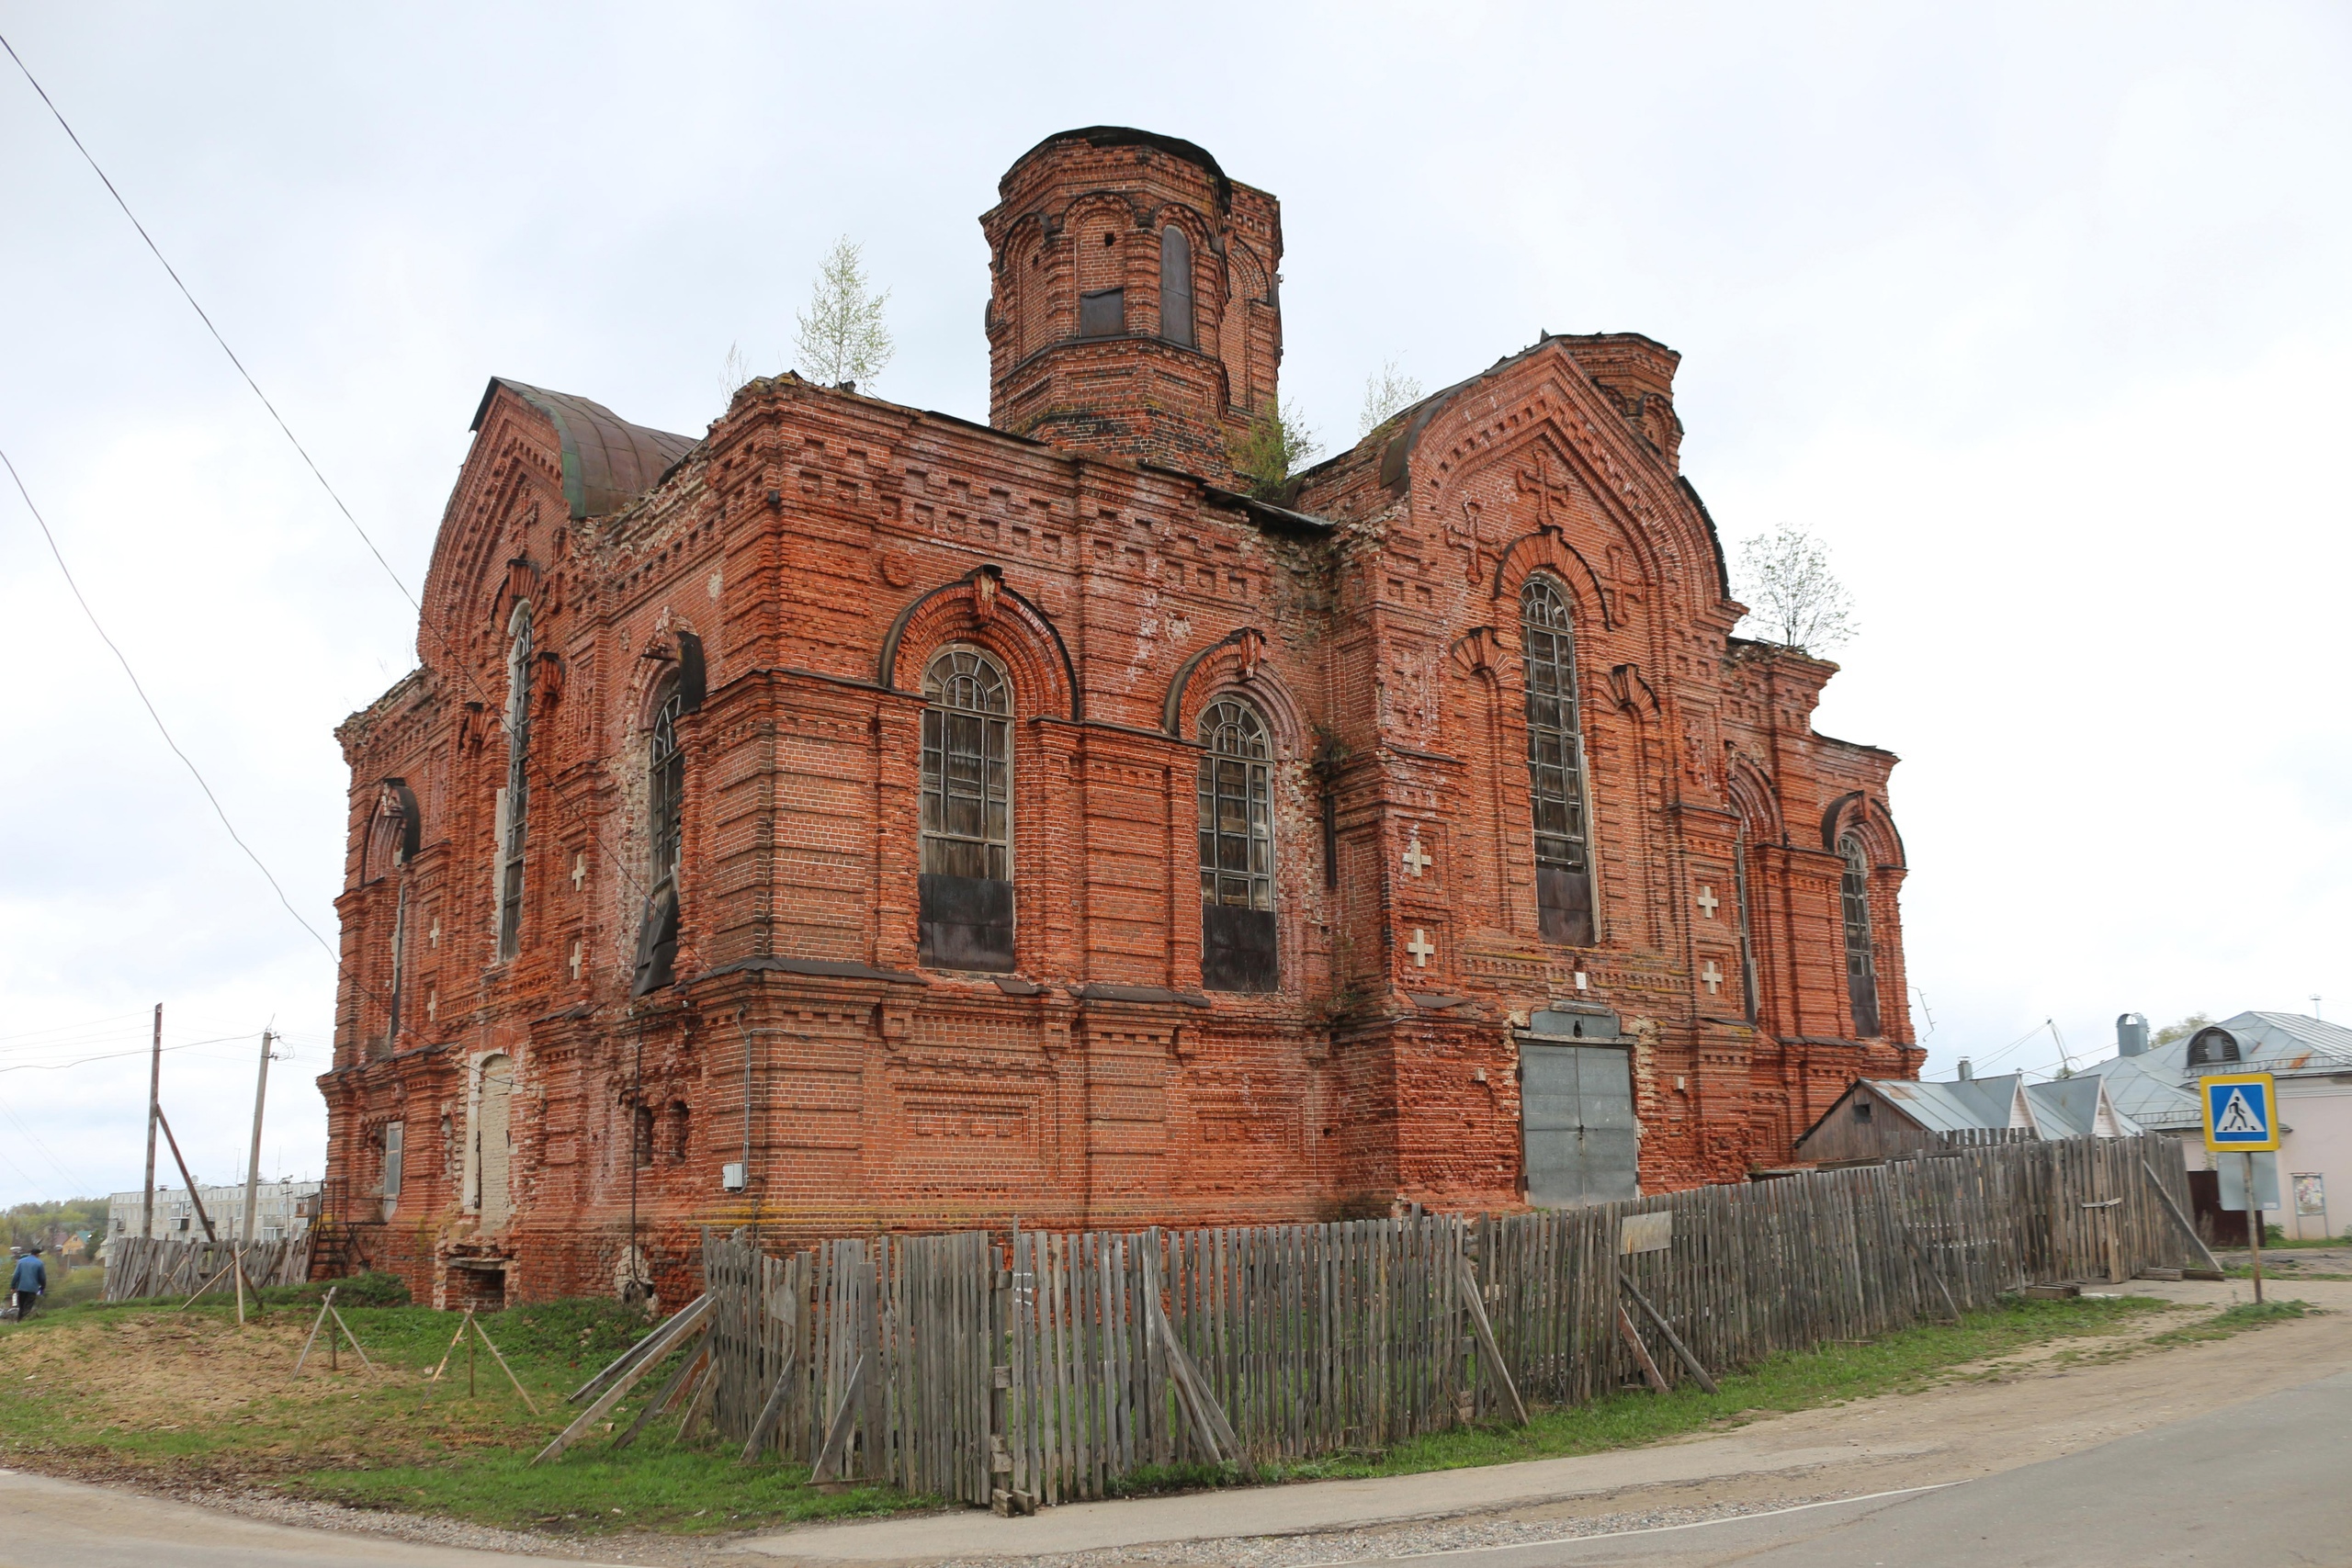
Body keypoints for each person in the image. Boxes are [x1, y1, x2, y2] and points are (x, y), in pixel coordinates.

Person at [11, 1245, 45, 1322]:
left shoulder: (21, 1261)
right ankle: (24, 1321)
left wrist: (13, 1286)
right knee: (28, 1306)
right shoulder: (39, 1263)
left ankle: (19, 1322)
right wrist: (42, 1287)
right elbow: (42, 1277)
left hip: (21, 1287)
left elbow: (16, 1275)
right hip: (32, 1288)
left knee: (21, 1306)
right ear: (37, 1254)